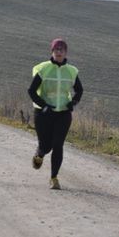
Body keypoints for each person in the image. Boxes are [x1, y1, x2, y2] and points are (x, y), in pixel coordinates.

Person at [27, 38, 83, 190]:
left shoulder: (71, 70)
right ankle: (39, 154)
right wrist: (43, 105)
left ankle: (54, 178)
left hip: (63, 114)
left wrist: (73, 103)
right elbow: (31, 91)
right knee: (46, 146)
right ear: (52, 52)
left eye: (62, 50)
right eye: (56, 50)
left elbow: (79, 90)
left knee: (58, 145)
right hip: (44, 113)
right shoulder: (43, 69)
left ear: (66, 53)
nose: (59, 52)